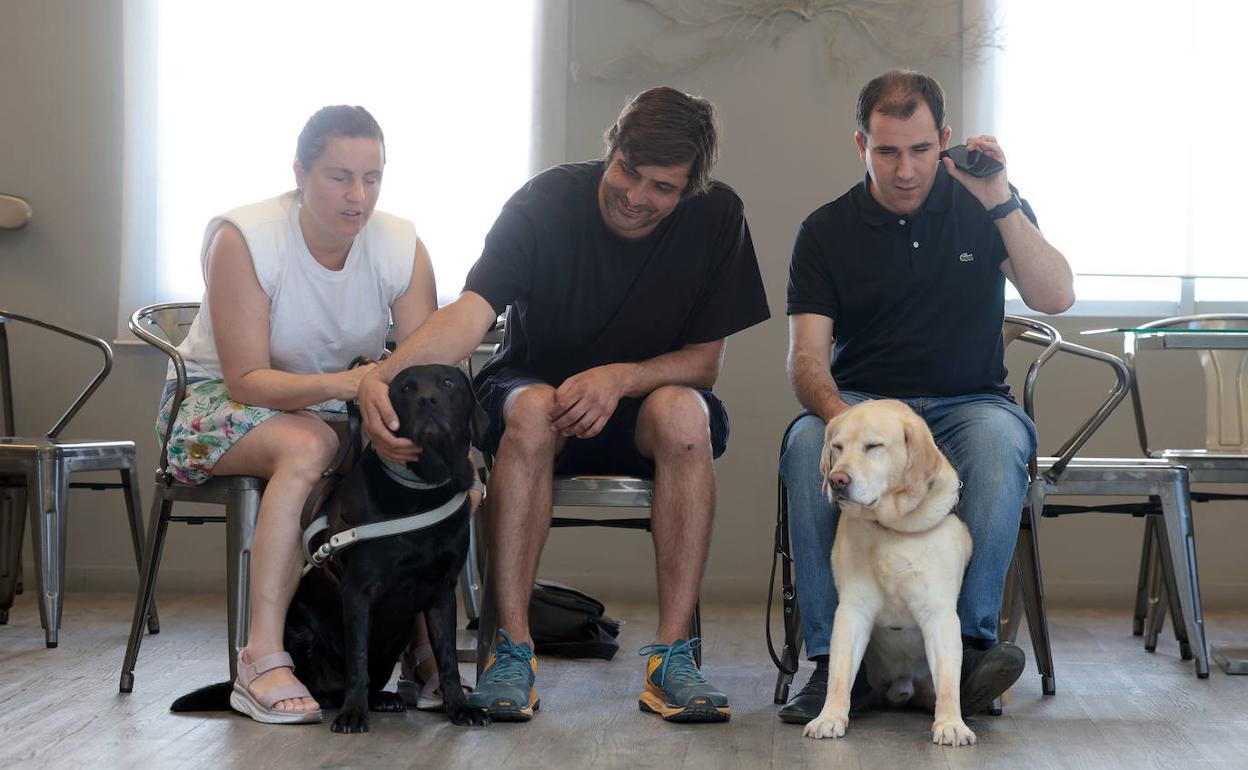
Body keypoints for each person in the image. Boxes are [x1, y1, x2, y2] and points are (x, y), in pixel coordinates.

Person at [358, 86, 770, 724]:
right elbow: (471, 314)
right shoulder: (544, 202)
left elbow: (704, 362)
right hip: (535, 388)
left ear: (689, 190)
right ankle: (511, 653)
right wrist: (381, 380)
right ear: (611, 148)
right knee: (532, 409)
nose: (636, 197)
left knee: (684, 413)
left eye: (662, 187)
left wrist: (619, 378)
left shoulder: (718, 217)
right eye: (628, 171)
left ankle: (672, 659)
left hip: (642, 402)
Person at [777, 70, 1075, 724]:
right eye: (886, 152)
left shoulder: (985, 205)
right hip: (867, 404)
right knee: (806, 446)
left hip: (971, 403)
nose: (905, 169)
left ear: (943, 140)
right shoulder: (825, 231)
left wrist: (998, 195)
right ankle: (834, 664)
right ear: (861, 145)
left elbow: (1055, 295)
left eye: (918, 150)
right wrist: (848, 423)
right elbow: (806, 361)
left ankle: (968, 654)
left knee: (1000, 445)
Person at [159, 105, 440, 724]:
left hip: (337, 404)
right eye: (340, 176)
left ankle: (426, 651)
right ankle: (261, 657)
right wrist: (349, 386)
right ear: (300, 173)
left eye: (373, 177)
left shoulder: (399, 243)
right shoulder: (247, 237)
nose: (358, 195)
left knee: (418, 453)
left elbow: (424, 371)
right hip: (216, 405)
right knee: (311, 444)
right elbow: (246, 377)